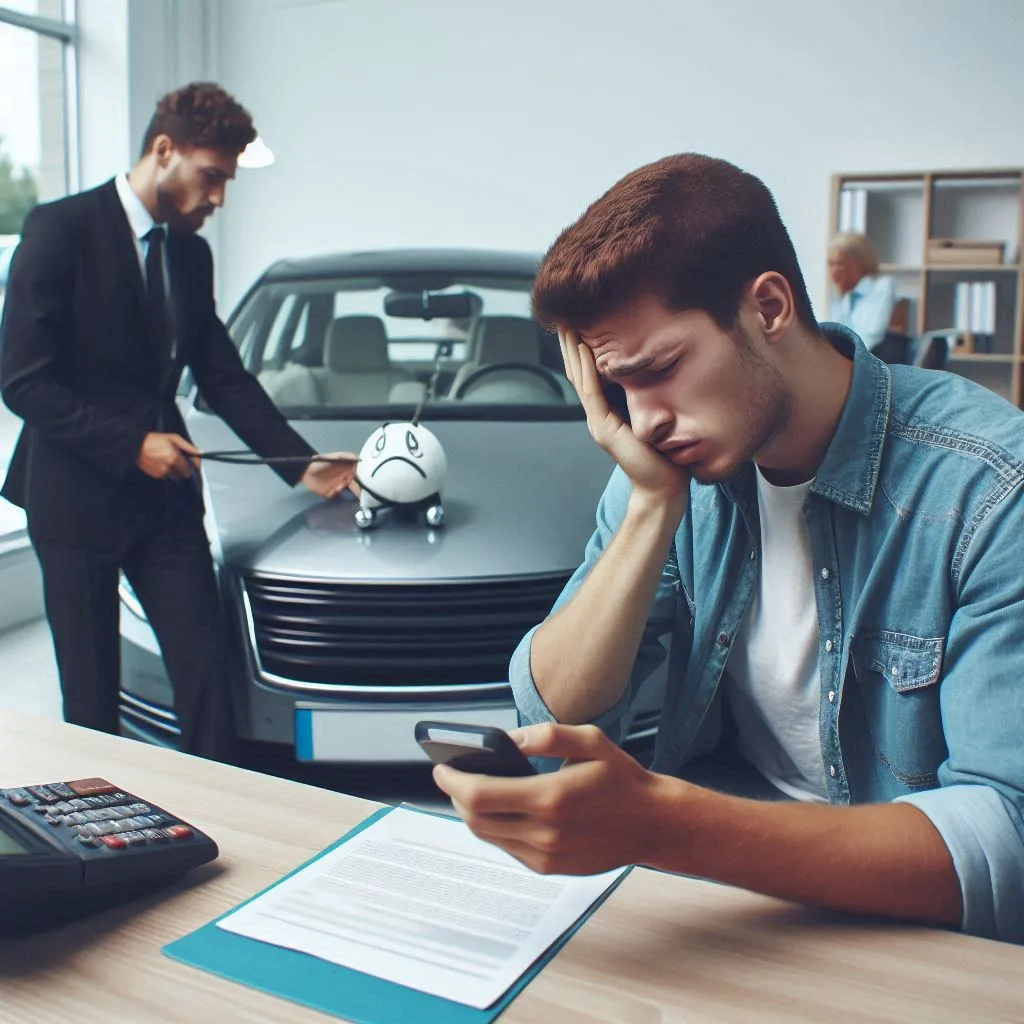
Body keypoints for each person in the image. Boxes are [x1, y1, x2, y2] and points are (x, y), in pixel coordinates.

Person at [432, 154, 1024, 945]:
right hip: (727, 889)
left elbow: (1004, 843)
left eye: (662, 370)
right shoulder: (672, 469)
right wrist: (649, 506)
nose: (641, 422)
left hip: (902, 923)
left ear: (769, 307)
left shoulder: (989, 489)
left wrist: (666, 827)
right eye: (618, 389)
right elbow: (557, 712)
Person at [0, 82, 357, 762]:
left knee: (206, 674)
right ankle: (109, 848)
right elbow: (22, 381)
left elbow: (221, 373)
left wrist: (300, 461)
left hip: (164, 504)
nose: (219, 199)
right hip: (73, 503)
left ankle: (221, 826)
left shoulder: (190, 255)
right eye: (212, 176)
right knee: (91, 699)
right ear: (164, 151)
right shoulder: (59, 230)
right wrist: (132, 443)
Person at [827, 231, 899, 359]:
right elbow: (834, 337)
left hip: (870, 363)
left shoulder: (882, 287)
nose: (834, 271)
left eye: (839, 264)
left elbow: (871, 338)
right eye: (831, 264)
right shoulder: (842, 295)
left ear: (859, 264)